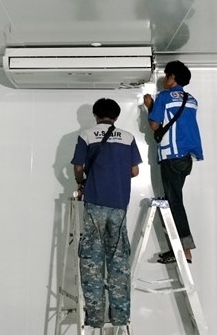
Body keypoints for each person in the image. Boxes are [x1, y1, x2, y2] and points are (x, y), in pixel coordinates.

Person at [71, 98, 142, 328]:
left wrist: (81, 181)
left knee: (92, 260)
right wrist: (116, 173)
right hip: (119, 205)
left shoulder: (86, 135)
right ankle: (120, 317)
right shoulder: (128, 137)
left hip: (95, 203)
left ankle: (95, 317)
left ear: (95, 115)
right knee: (118, 261)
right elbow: (134, 171)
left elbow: (78, 167)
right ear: (116, 116)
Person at [143, 60, 203, 264]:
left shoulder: (165, 97)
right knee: (173, 200)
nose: (164, 80)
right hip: (187, 158)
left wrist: (150, 107)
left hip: (171, 156)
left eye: (166, 76)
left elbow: (154, 125)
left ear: (172, 77)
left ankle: (184, 250)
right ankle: (178, 248)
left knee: (174, 202)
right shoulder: (192, 99)